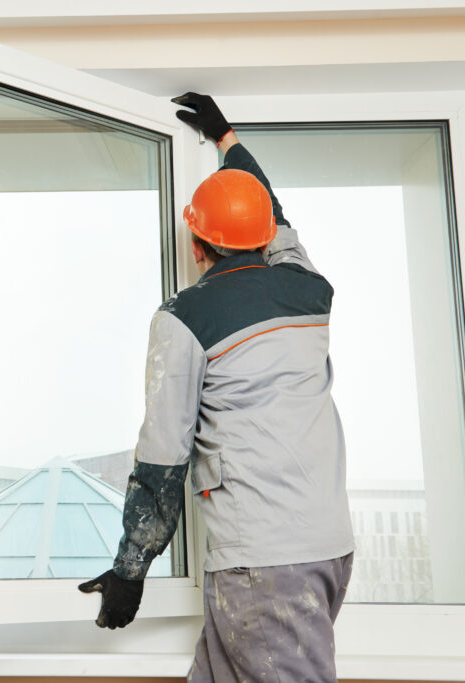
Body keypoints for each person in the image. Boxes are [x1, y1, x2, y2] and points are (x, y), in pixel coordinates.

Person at [78, 93, 355, 682]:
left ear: (196, 245)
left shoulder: (185, 318)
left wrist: (130, 569)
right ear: (264, 239)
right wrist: (226, 138)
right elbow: (271, 211)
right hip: (325, 549)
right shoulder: (307, 286)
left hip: (267, 563)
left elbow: (162, 458)